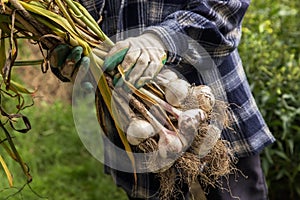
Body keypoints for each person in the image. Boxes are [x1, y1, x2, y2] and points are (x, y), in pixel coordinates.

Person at [50, 0, 275, 199]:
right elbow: (63, 21)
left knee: (233, 186)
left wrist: (160, 40)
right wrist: (67, 60)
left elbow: (226, 5)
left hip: (213, 107)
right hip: (134, 132)